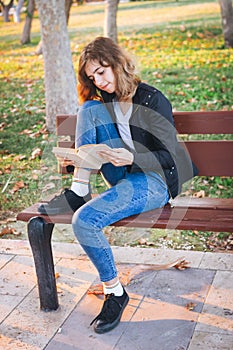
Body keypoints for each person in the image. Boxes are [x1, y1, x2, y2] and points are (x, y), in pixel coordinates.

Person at [38, 37, 198, 334]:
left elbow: (173, 155)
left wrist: (132, 156)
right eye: (91, 76)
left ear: (117, 63)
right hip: (121, 173)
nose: (98, 80)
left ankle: (115, 293)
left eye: (101, 71)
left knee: (84, 221)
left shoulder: (152, 99)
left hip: (154, 180)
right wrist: (85, 156)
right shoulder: (107, 101)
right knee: (88, 108)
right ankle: (78, 190)